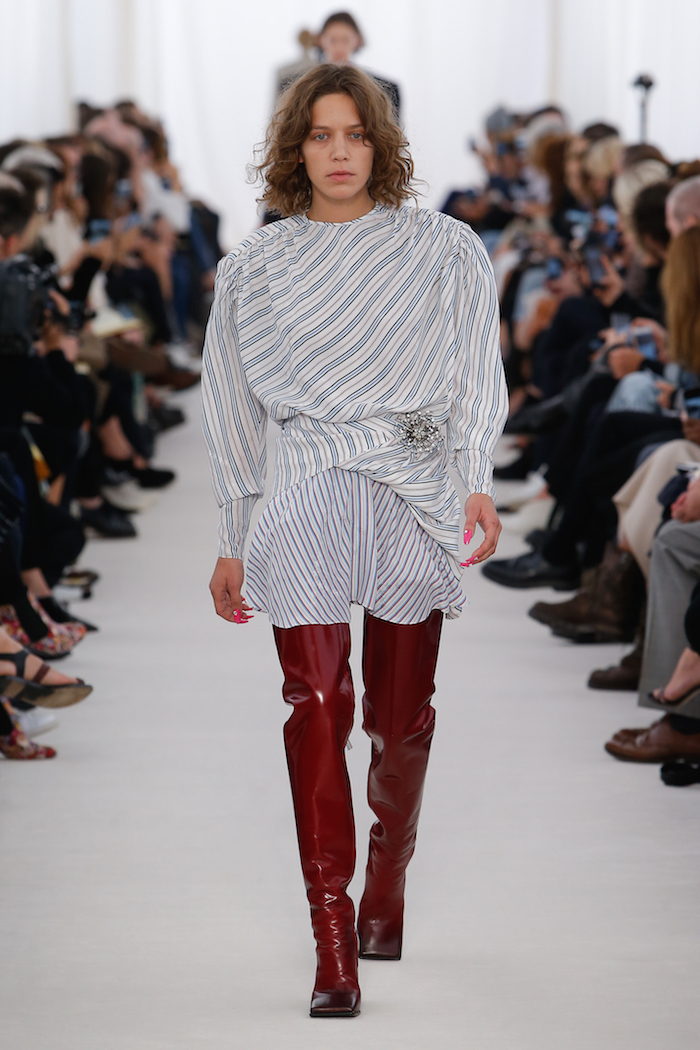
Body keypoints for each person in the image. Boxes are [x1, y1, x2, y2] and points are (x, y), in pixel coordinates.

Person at [201, 65, 507, 1018]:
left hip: (413, 482)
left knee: (400, 718)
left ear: (382, 143)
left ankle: (387, 884)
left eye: (357, 134)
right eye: (321, 135)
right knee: (318, 703)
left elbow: (477, 369)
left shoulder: (445, 248)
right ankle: (332, 935)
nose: (340, 152)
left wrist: (477, 477)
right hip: (304, 481)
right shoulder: (255, 265)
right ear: (296, 149)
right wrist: (233, 535)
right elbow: (230, 405)